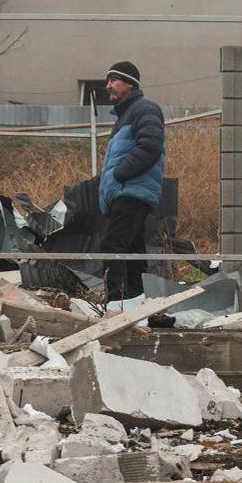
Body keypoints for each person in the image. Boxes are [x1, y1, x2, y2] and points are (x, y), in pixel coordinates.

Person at [97, 60, 165, 305]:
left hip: (132, 192)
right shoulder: (126, 114)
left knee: (112, 244)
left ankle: (115, 304)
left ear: (129, 83)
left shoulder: (144, 108)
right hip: (126, 192)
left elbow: (150, 146)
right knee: (133, 252)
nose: (108, 86)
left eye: (113, 80)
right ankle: (138, 302)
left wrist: (119, 174)